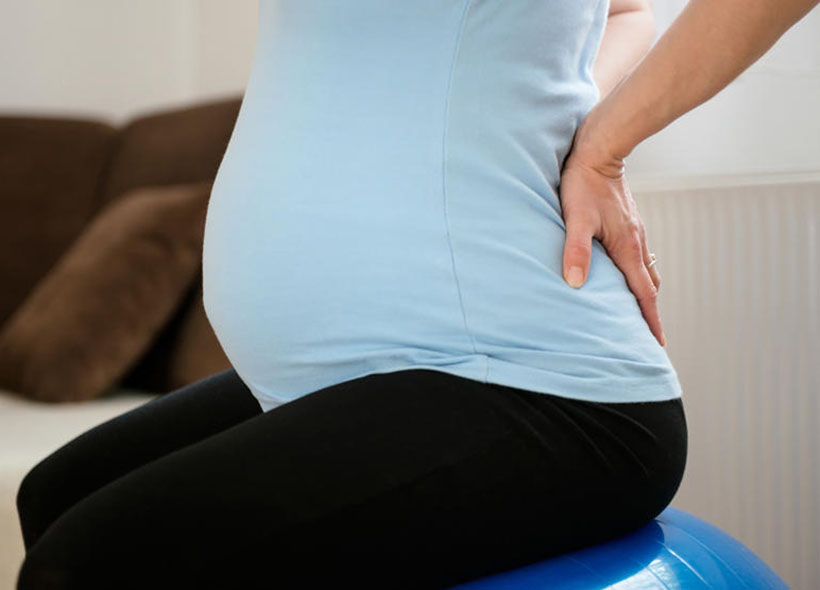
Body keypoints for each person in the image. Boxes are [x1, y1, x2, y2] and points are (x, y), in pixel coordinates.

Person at [14, 0, 818, 588]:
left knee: (80, 568)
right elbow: (619, 12)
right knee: (51, 496)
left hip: (529, 381)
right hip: (371, 370)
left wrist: (601, 144)